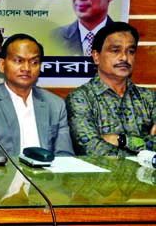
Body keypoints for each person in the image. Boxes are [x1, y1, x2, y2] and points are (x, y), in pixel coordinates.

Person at [0, 34, 74, 156]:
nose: (26, 68)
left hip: (48, 174)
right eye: (19, 61)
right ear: (2, 65)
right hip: (5, 173)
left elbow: (64, 155)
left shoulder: (55, 104)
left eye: (34, 62)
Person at [66, 22, 156, 156]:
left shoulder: (149, 98)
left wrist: (122, 140)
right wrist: (146, 151)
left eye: (130, 51)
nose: (124, 58)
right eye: (115, 51)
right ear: (96, 56)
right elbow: (92, 149)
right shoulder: (80, 99)